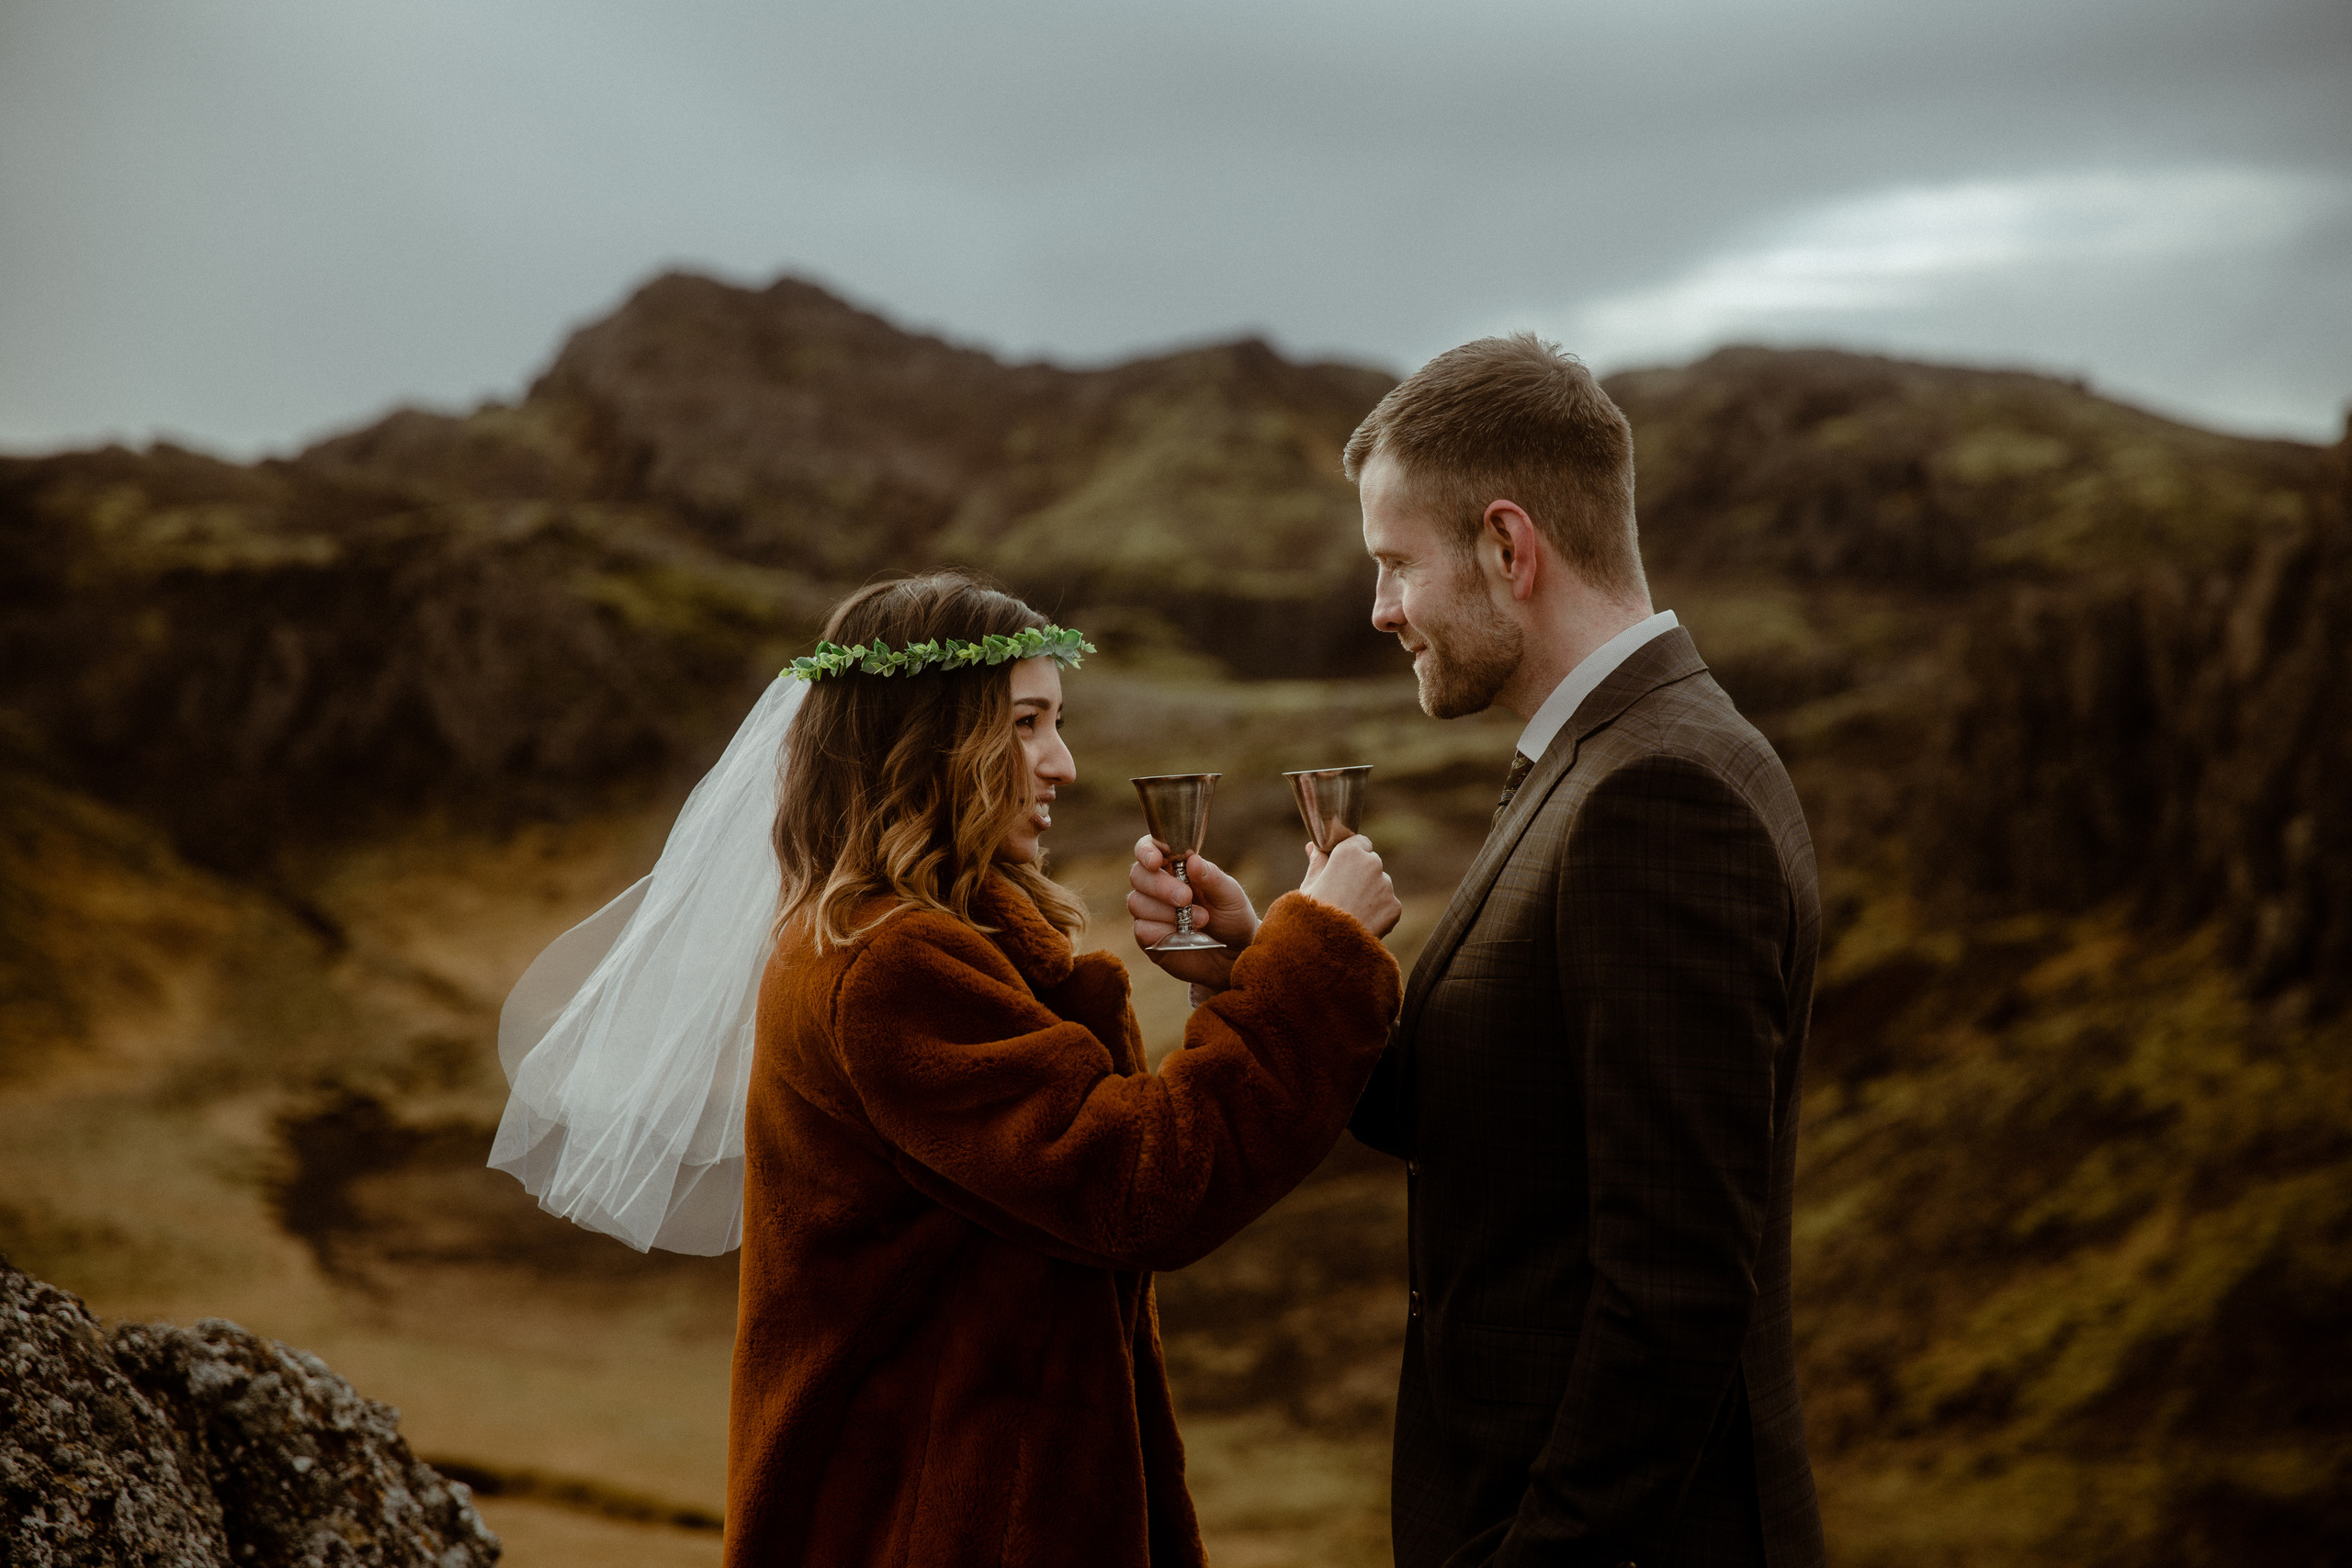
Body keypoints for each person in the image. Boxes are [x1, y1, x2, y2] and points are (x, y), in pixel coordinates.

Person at [1130, 337, 1826, 1567]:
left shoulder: (1656, 791)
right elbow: (1486, 1106)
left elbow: (1674, 1294)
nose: (1381, 607)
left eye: (1396, 563)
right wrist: (1263, 963)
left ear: (1510, 547)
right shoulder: (1599, 758)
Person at [722, 572, 1405, 1568]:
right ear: (928, 740)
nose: (1064, 765)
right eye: (1028, 723)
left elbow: (1090, 1158)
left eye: (1058, 722)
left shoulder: (914, 944)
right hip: (933, 1529)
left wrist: (1234, 977)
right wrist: (1318, 952)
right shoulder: (890, 968)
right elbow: (1137, 1185)